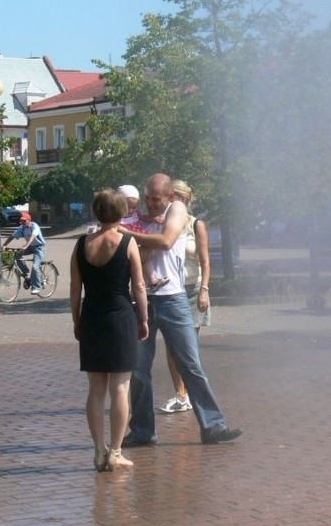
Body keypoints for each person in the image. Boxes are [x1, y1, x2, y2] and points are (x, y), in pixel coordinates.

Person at [118, 173, 242, 446]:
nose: (150, 204)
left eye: (156, 199)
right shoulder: (138, 217)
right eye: (147, 198)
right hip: (143, 301)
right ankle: (142, 431)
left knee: (191, 364)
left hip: (173, 299)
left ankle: (213, 426)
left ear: (170, 196)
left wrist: (126, 233)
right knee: (138, 369)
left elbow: (165, 241)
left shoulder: (177, 209)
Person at [70, 189, 149, 472]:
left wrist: (76, 320)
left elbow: (75, 288)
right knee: (120, 387)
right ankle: (116, 451)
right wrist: (144, 317)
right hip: (120, 316)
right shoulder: (128, 242)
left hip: (92, 316)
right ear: (122, 211)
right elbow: (138, 286)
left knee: (95, 390)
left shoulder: (81, 245)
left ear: (96, 211)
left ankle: (98, 450)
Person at [158, 179, 211, 414]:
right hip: (171, 290)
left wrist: (204, 290)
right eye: (171, 197)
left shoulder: (195, 224)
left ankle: (194, 394)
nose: (173, 201)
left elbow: (205, 261)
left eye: (177, 197)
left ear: (186, 199)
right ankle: (181, 395)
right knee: (171, 346)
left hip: (192, 290)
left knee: (189, 348)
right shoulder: (165, 223)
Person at [117, 184, 168, 292]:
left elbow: (144, 218)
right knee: (139, 263)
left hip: (140, 240)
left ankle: (152, 280)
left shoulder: (136, 213)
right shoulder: (117, 217)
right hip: (128, 244)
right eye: (128, 207)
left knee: (144, 261)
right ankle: (145, 284)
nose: (131, 210)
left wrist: (154, 219)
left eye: (134, 207)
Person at [3, 212, 46, 294]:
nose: (22, 222)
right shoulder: (22, 228)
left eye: (24, 221)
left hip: (39, 247)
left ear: (29, 220)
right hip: (30, 247)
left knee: (35, 266)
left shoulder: (34, 226)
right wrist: (4, 245)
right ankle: (25, 271)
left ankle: (37, 287)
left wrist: (26, 245)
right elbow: (13, 236)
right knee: (17, 254)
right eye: (22, 221)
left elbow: (33, 236)